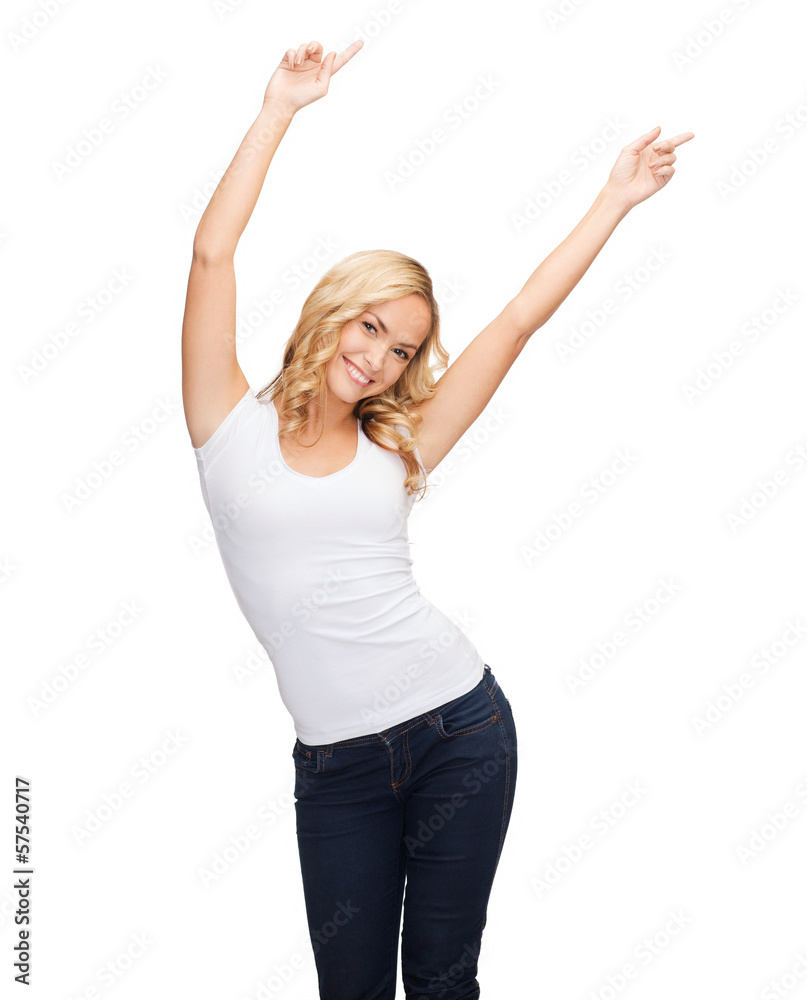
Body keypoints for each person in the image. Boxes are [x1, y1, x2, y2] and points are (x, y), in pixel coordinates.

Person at [181, 37, 694, 1000]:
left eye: (402, 345)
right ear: (333, 312)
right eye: (369, 324)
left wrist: (615, 199)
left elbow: (512, 323)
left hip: (460, 732)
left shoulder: (399, 442)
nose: (377, 357)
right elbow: (213, 251)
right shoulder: (223, 423)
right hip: (334, 769)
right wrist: (279, 109)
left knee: (442, 982)